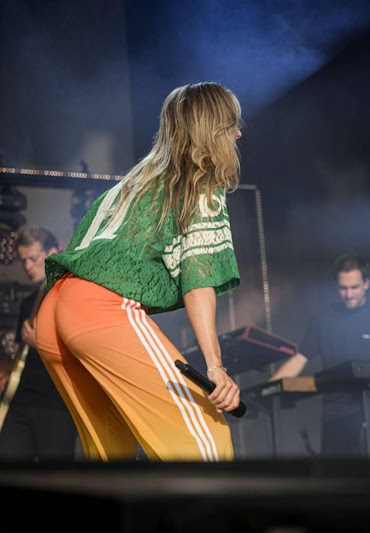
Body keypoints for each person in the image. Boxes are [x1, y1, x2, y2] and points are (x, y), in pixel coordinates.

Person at [35, 82, 244, 461]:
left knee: (112, 459)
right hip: (99, 312)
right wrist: (215, 367)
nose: (239, 133)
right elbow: (198, 280)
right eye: (232, 124)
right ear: (213, 131)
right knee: (207, 446)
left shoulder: (130, 183)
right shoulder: (198, 181)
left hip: (53, 313)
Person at [270, 255, 370, 454]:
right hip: (336, 414)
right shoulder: (323, 319)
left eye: (354, 287)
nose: (349, 294)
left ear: (366, 283)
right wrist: (268, 389)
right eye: (343, 288)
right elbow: (299, 359)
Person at [0, 226, 78, 461]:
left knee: (55, 479)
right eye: (23, 260)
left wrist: (40, 343)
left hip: (57, 404)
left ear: (52, 252)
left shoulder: (69, 296)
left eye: (33, 258)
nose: (27, 266)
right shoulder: (27, 303)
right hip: (21, 400)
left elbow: (80, 356)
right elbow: (19, 358)